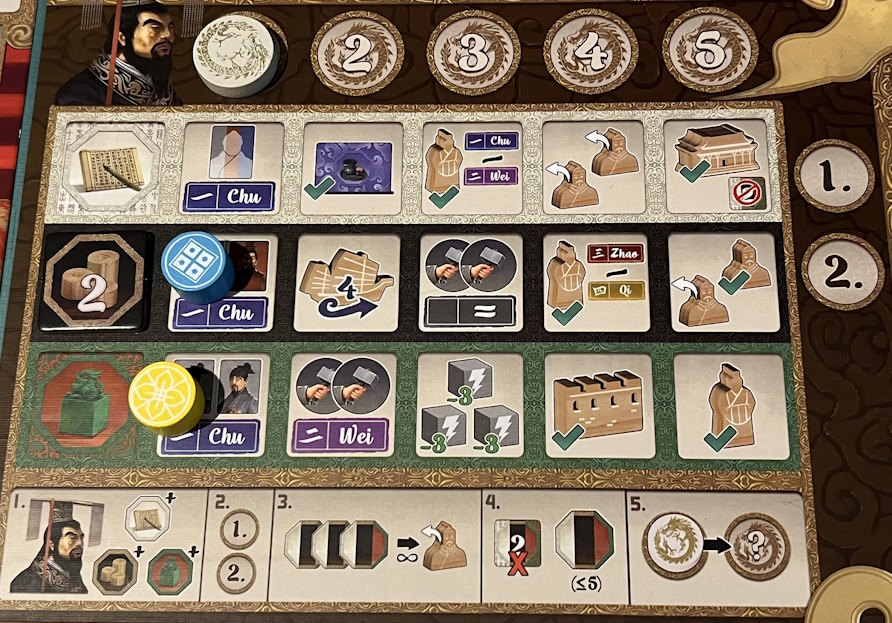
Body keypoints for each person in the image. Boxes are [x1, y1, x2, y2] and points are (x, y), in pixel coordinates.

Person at [55, 1, 180, 106]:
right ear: (122, 37)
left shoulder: (162, 86)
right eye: (155, 28)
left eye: (170, 28)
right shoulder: (79, 93)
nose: (168, 35)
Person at [10, 510, 87, 594]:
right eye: (72, 538)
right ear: (51, 544)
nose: (80, 543)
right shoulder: (25, 583)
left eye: (81, 538)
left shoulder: (73, 575)